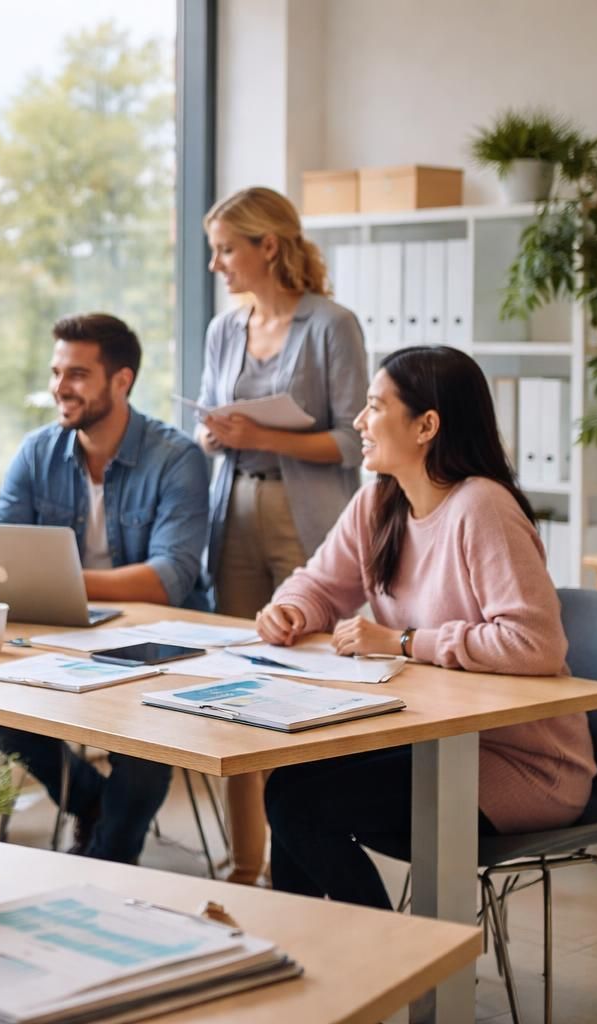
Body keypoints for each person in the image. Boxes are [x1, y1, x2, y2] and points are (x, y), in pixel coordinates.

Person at [257, 346, 596, 909]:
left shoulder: (481, 507)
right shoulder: (378, 504)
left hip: (522, 764)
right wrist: (290, 608)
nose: (360, 423)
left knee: (302, 806)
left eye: (373, 407)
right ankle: (319, 963)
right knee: (290, 781)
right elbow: (317, 585)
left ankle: (384, 967)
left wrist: (404, 642)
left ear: (426, 426)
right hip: (437, 742)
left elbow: (534, 644)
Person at [0, 312, 210, 863]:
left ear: (121, 381)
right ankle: (90, 801)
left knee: (155, 722)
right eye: (57, 372)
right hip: (62, 631)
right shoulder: (38, 452)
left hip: (160, 641)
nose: (60, 387)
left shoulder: (176, 459)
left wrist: (63, 580)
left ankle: (109, 859)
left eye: (77, 374)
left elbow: (167, 579)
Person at [197, 186, 369, 885]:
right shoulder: (222, 331)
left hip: (307, 518)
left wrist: (262, 433)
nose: (217, 265)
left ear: (269, 246)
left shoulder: (332, 324)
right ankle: (246, 864)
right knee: (236, 686)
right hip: (233, 506)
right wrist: (217, 435)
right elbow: (211, 429)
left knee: (303, 682)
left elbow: (355, 443)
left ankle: (301, 854)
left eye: (226, 249)